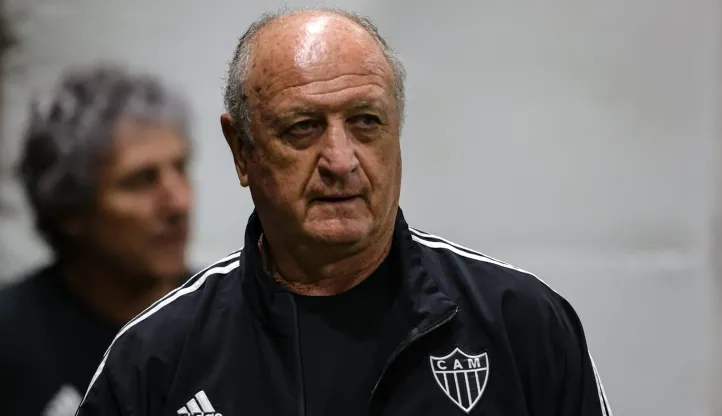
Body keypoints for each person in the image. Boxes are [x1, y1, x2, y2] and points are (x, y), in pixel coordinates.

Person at [76, 7, 612, 416]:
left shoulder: (522, 325)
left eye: (365, 122)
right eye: (303, 128)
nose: (340, 161)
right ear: (242, 150)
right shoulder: (154, 361)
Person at [0, 65, 194, 416]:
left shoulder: (229, 315)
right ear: (70, 209)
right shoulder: (11, 340)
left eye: (180, 168)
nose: (179, 202)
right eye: (141, 180)